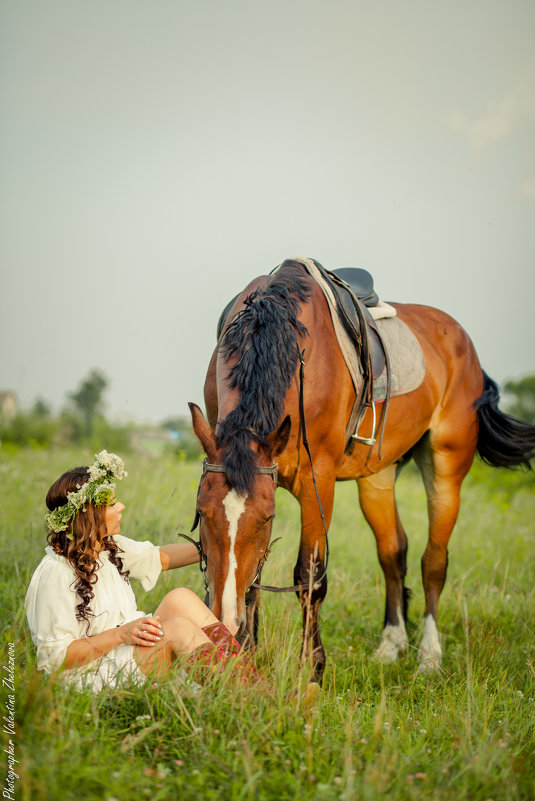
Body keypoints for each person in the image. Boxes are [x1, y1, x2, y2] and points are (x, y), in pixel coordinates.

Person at [25, 450, 251, 692]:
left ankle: (248, 682)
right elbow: (56, 658)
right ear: (89, 514)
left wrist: (221, 549)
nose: (121, 506)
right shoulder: (56, 573)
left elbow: (157, 557)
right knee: (178, 628)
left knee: (180, 598)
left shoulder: (106, 546)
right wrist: (121, 635)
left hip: (125, 649)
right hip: (89, 674)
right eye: (111, 504)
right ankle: (238, 695)